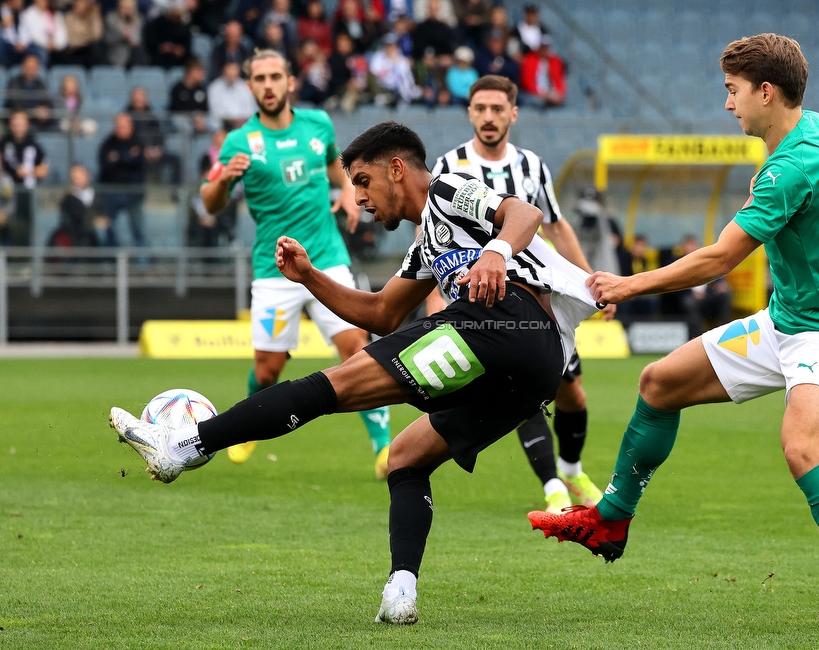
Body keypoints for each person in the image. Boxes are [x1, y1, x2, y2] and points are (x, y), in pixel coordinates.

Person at [110, 119, 602, 625]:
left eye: (363, 181)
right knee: (406, 457)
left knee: (331, 385)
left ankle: (185, 446)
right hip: (538, 364)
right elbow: (382, 313)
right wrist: (309, 277)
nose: (358, 197)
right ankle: (400, 591)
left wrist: (498, 252)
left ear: (395, 169)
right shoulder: (426, 245)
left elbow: (524, 212)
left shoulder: (447, 189)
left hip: (503, 322)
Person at [528, 34, 819, 636]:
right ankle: (612, 519)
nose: (728, 105)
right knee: (659, 383)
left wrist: (626, 285)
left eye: (733, 91)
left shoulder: (786, 169)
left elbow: (717, 261)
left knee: (804, 450)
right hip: (786, 321)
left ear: (766, 91)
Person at [197, 50, 391, 473]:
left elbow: (337, 163)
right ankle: (247, 430)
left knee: (356, 350)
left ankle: (383, 448)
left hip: (326, 260)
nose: (268, 85)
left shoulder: (317, 125)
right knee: (267, 371)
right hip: (274, 268)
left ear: (290, 82)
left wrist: (345, 190)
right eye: (259, 79)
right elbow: (209, 202)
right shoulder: (238, 142)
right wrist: (226, 178)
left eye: (275, 77)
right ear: (250, 86)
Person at [430, 74, 610, 512]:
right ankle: (552, 486)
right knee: (522, 385)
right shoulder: (448, 167)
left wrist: (592, 280)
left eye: (497, 109)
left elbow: (555, 225)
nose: (488, 117)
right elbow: (428, 235)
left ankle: (570, 470)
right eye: (480, 109)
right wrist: (435, 297)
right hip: (483, 302)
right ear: (469, 112)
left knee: (573, 395)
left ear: (513, 112)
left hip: (542, 299)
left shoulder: (532, 166)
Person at [97, 112, 146, 247]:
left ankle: (143, 264)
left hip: (133, 193)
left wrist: (118, 158)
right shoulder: (108, 143)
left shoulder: (138, 143)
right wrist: (128, 157)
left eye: (124, 126)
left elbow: (139, 164)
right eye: (118, 125)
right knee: (109, 229)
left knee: (138, 229)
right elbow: (106, 165)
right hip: (111, 192)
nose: (121, 129)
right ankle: (110, 260)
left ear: (131, 126)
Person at [0, 109, 47, 245]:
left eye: (21, 122)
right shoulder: (4, 142)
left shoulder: (33, 144)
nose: (18, 125)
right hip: (6, 193)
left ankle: (22, 260)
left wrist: (29, 172)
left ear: (27, 124)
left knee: (24, 227)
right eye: (16, 122)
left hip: (27, 193)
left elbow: (44, 169)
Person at [673, 234, 733, 339]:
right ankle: (701, 337)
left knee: (725, 295)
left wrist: (720, 284)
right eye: (688, 245)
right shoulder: (677, 263)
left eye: (693, 244)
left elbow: (718, 276)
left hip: (708, 295)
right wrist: (692, 293)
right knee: (689, 302)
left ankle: (722, 334)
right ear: (683, 247)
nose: (691, 247)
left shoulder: (705, 261)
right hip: (689, 296)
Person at [49, 163, 97, 247]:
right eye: (74, 177)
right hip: (78, 233)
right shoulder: (69, 198)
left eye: (79, 176)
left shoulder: (98, 194)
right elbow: (78, 216)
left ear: (87, 176)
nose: (76, 180)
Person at [519, 35, 565, 109]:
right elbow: (527, 83)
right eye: (543, 47)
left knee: (562, 102)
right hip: (533, 94)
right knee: (536, 101)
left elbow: (559, 81)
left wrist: (558, 94)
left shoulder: (555, 61)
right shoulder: (530, 60)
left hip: (550, 94)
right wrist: (543, 95)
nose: (544, 50)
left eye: (546, 47)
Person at [207, 61, 257, 130]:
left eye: (234, 72)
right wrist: (232, 120)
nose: (232, 75)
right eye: (229, 72)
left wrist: (240, 119)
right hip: (223, 125)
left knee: (255, 132)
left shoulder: (245, 86)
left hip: (243, 123)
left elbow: (250, 109)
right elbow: (215, 111)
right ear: (224, 72)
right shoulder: (214, 87)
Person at [168, 58, 209, 134]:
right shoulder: (177, 88)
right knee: (185, 126)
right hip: (182, 117)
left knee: (212, 124)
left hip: (199, 117)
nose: (202, 74)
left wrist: (199, 117)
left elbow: (205, 108)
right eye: (199, 71)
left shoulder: (201, 89)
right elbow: (175, 108)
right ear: (191, 72)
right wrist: (193, 117)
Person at [103, 0, 144, 67]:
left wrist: (131, 38)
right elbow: (107, 39)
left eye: (127, 8)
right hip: (115, 56)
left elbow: (138, 40)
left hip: (134, 58)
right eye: (122, 7)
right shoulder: (111, 19)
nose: (123, 10)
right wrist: (122, 35)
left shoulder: (138, 19)